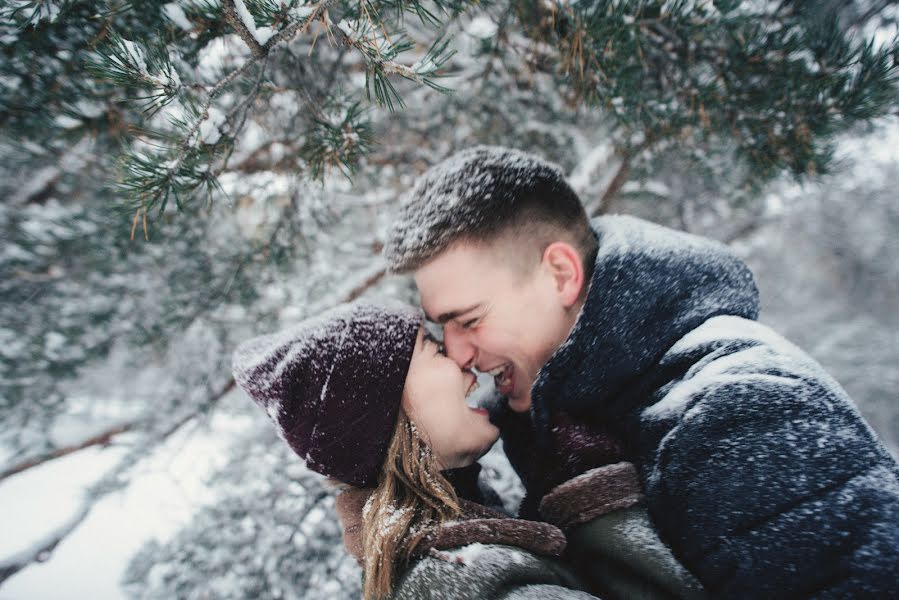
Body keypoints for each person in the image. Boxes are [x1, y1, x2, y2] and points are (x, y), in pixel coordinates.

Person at [384, 145, 899, 597]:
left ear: (560, 274)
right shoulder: (565, 417)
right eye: (443, 327)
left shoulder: (742, 410)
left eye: (469, 320)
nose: (457, 353)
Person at [231, 302, 700, 599]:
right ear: (388, 413)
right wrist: (596, 506)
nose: (465, 365)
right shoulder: (456, 581)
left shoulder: (457, 558)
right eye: (434, 353)